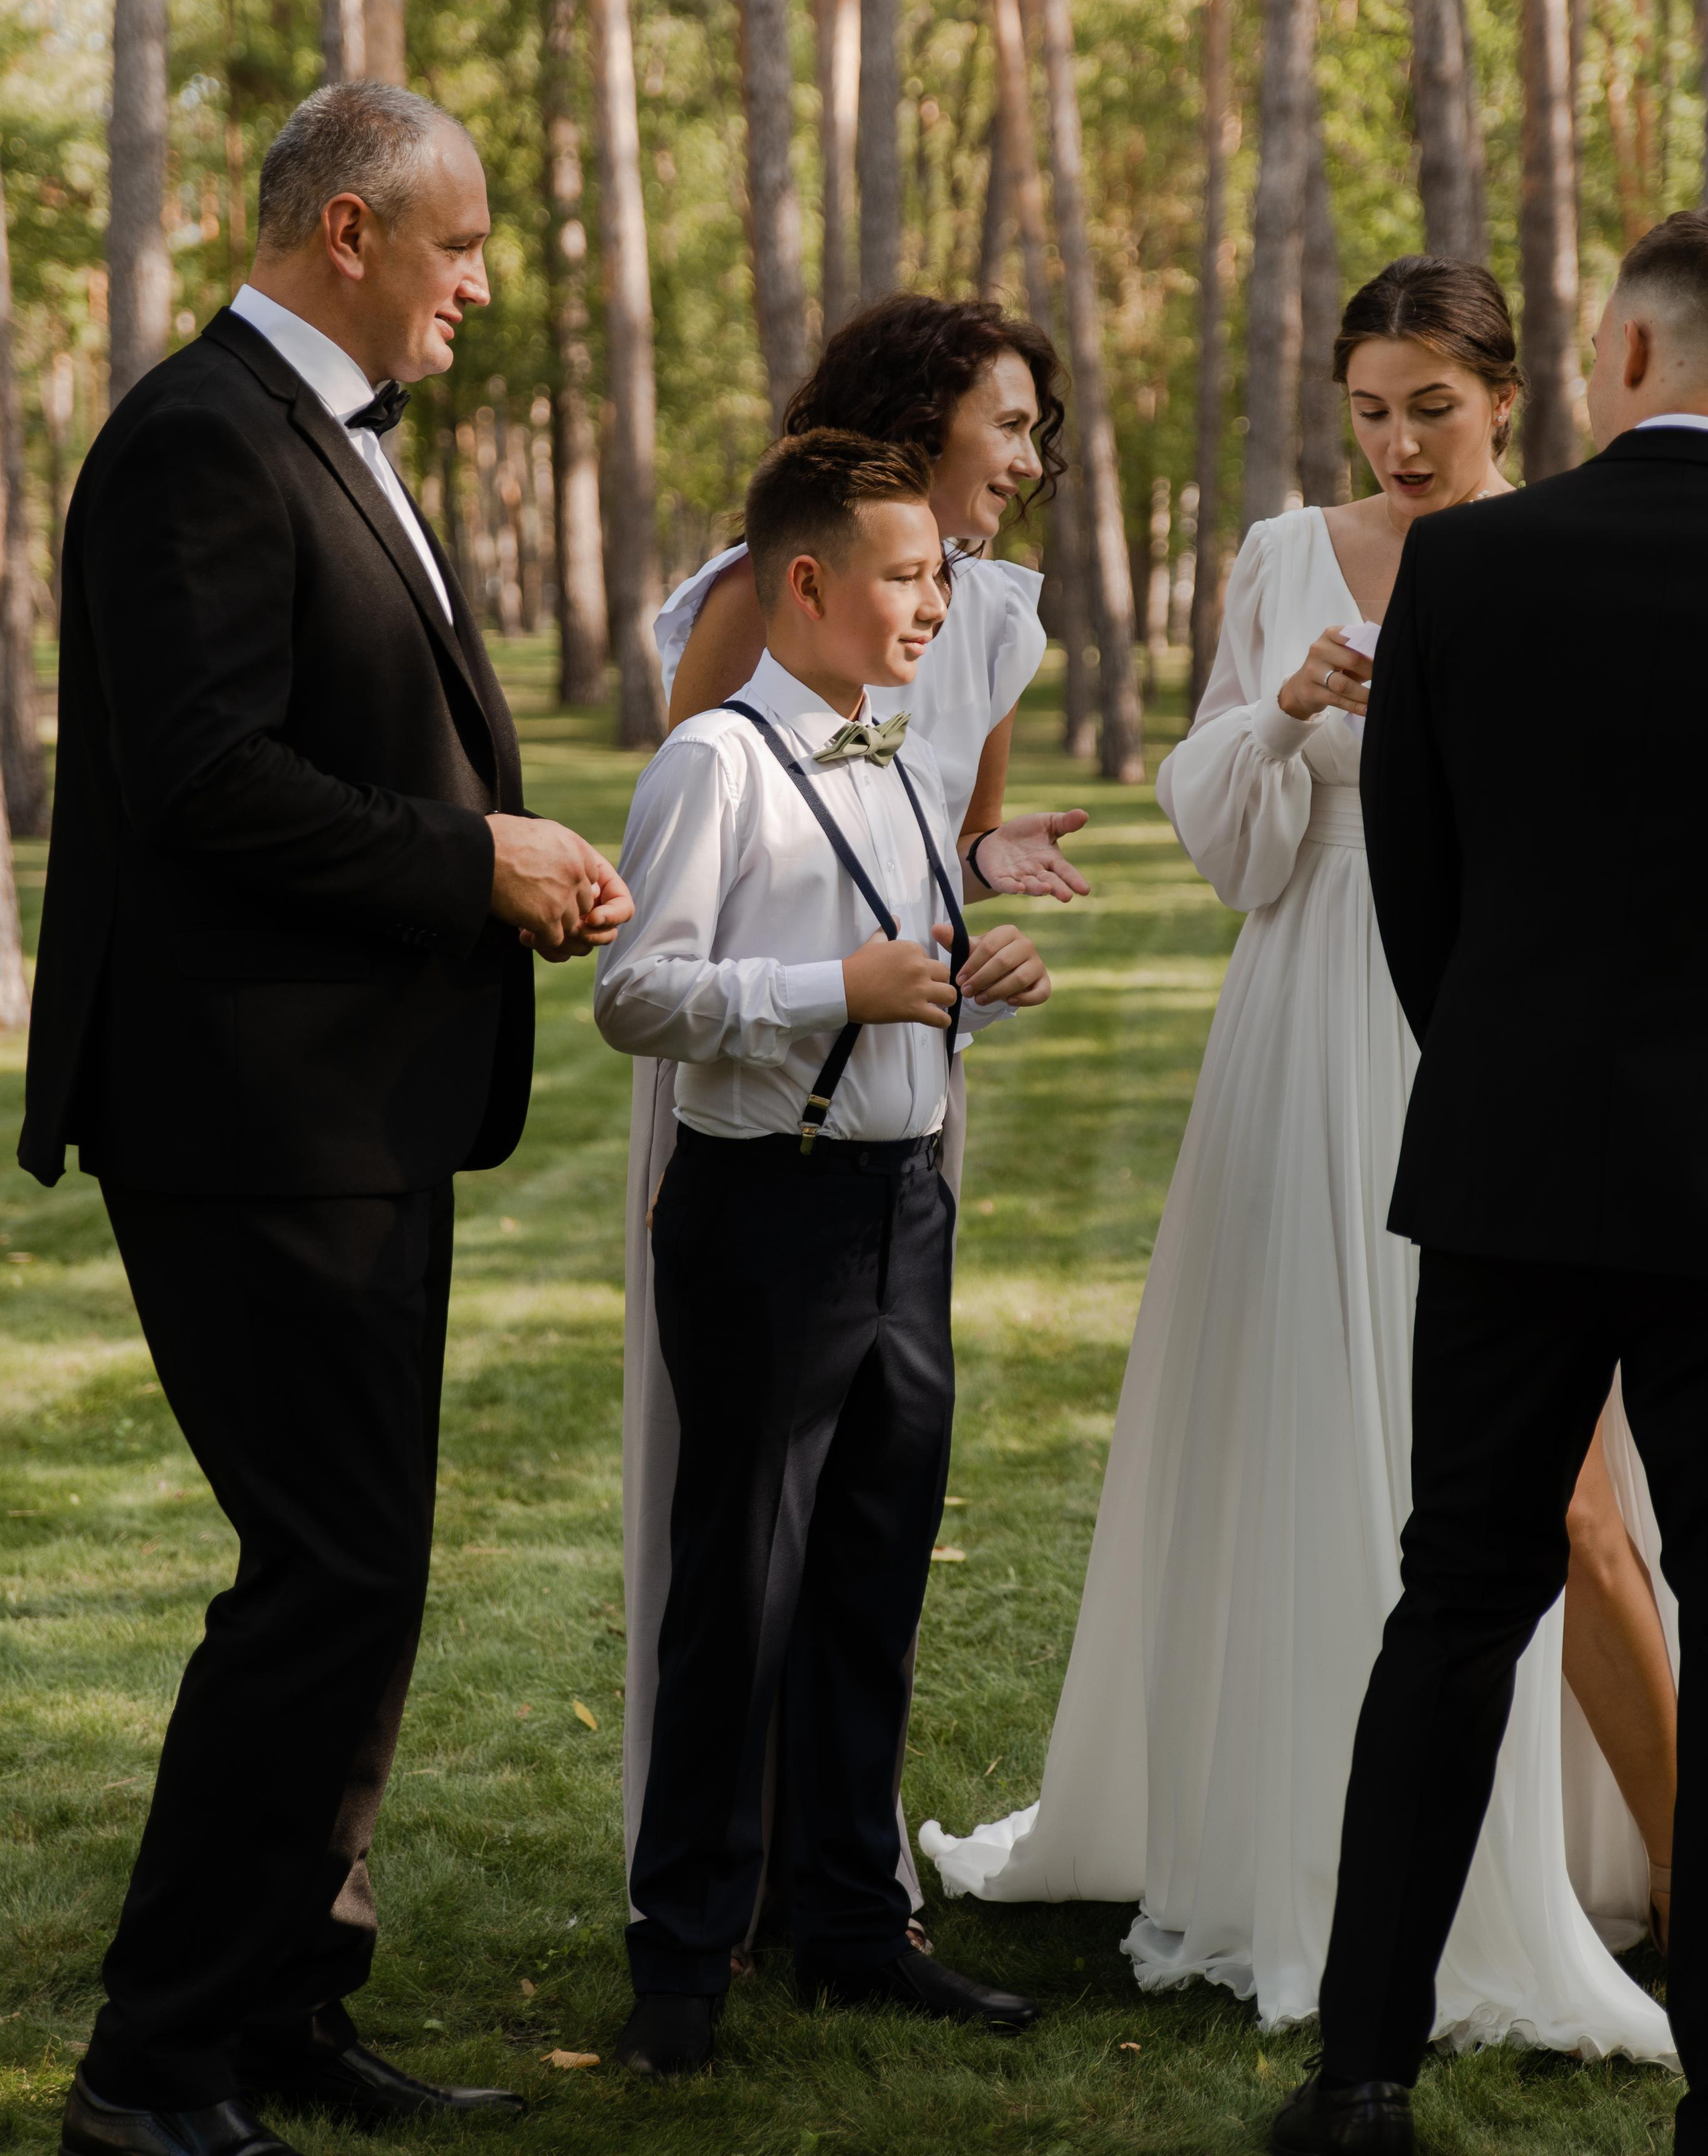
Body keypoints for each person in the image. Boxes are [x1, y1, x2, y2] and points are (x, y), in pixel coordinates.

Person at [923, 258, 1675, 2076]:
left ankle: (1639, 1857)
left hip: (1484, 1037)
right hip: (1304, 1028)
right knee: (1317, 1443)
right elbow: (1226, 845)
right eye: (1371, 410)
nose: (1399, 443)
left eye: (1433, 408)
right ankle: (1294, 1850)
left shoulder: (1550, 552)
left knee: (1570, 1505)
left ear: (1505, 399)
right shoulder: (1280, 558)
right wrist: (1276, 715)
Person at [25, 82, 630, 2156]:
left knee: (357, 1575)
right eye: (460, 245)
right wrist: (476, 861)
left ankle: (287, 2004)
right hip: (245, 1117)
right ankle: (149, 2069)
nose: (483, 285)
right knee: (325, 1578)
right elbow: (205, 779)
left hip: (351, 1110)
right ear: (350, 231)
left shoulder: (319, 431)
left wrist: (502, 860)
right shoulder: (199, 437)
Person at [1268, 216, 1708, 2152]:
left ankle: (1360, 2078)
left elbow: (1416, 879)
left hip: (1511, 1161)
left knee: (1453, 1601)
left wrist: (1509, 1067)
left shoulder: (1465, 564)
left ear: (1623, 355)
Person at [623, 295, 1091, 1926]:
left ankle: (846, 1888)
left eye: (1034, 430)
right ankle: (700, 1909)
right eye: (1006, 424)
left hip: (904, 1113)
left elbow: (928, 853)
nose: (1026, 460)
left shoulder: (978, 635)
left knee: (871, 1539)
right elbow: (707, 849)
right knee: (737, 1533)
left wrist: (981, 898)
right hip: (758, 1115)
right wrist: (832, 988)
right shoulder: (761, 627)